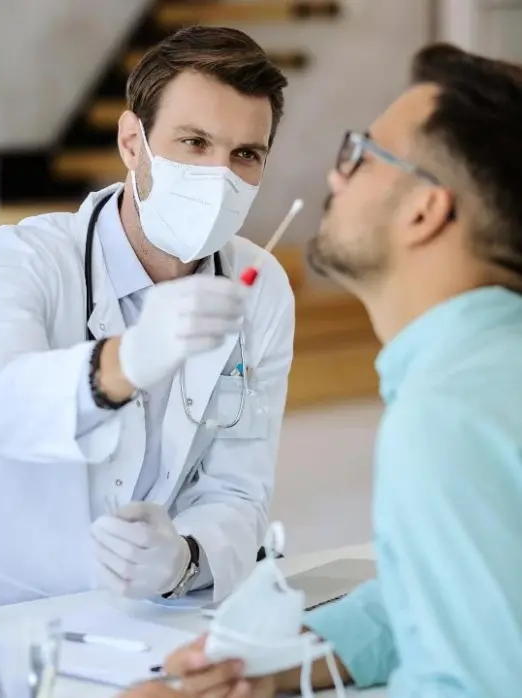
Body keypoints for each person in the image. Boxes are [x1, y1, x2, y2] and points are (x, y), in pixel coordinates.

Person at [159, 43, 522, 697]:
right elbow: (432, 595)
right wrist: (272, 662)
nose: (335, 176)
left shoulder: (448, 418)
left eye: (361, 153)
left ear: (424, 210)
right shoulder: (489, 369)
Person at [0, 25, 295, 616]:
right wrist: (127, 359)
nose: (220, 176)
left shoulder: (259, 287)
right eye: (194, 142)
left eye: (246, 154)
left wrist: (184, 560)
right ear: (131, 143)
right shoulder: (25, 257)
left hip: (151, 616)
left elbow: (239, 490)